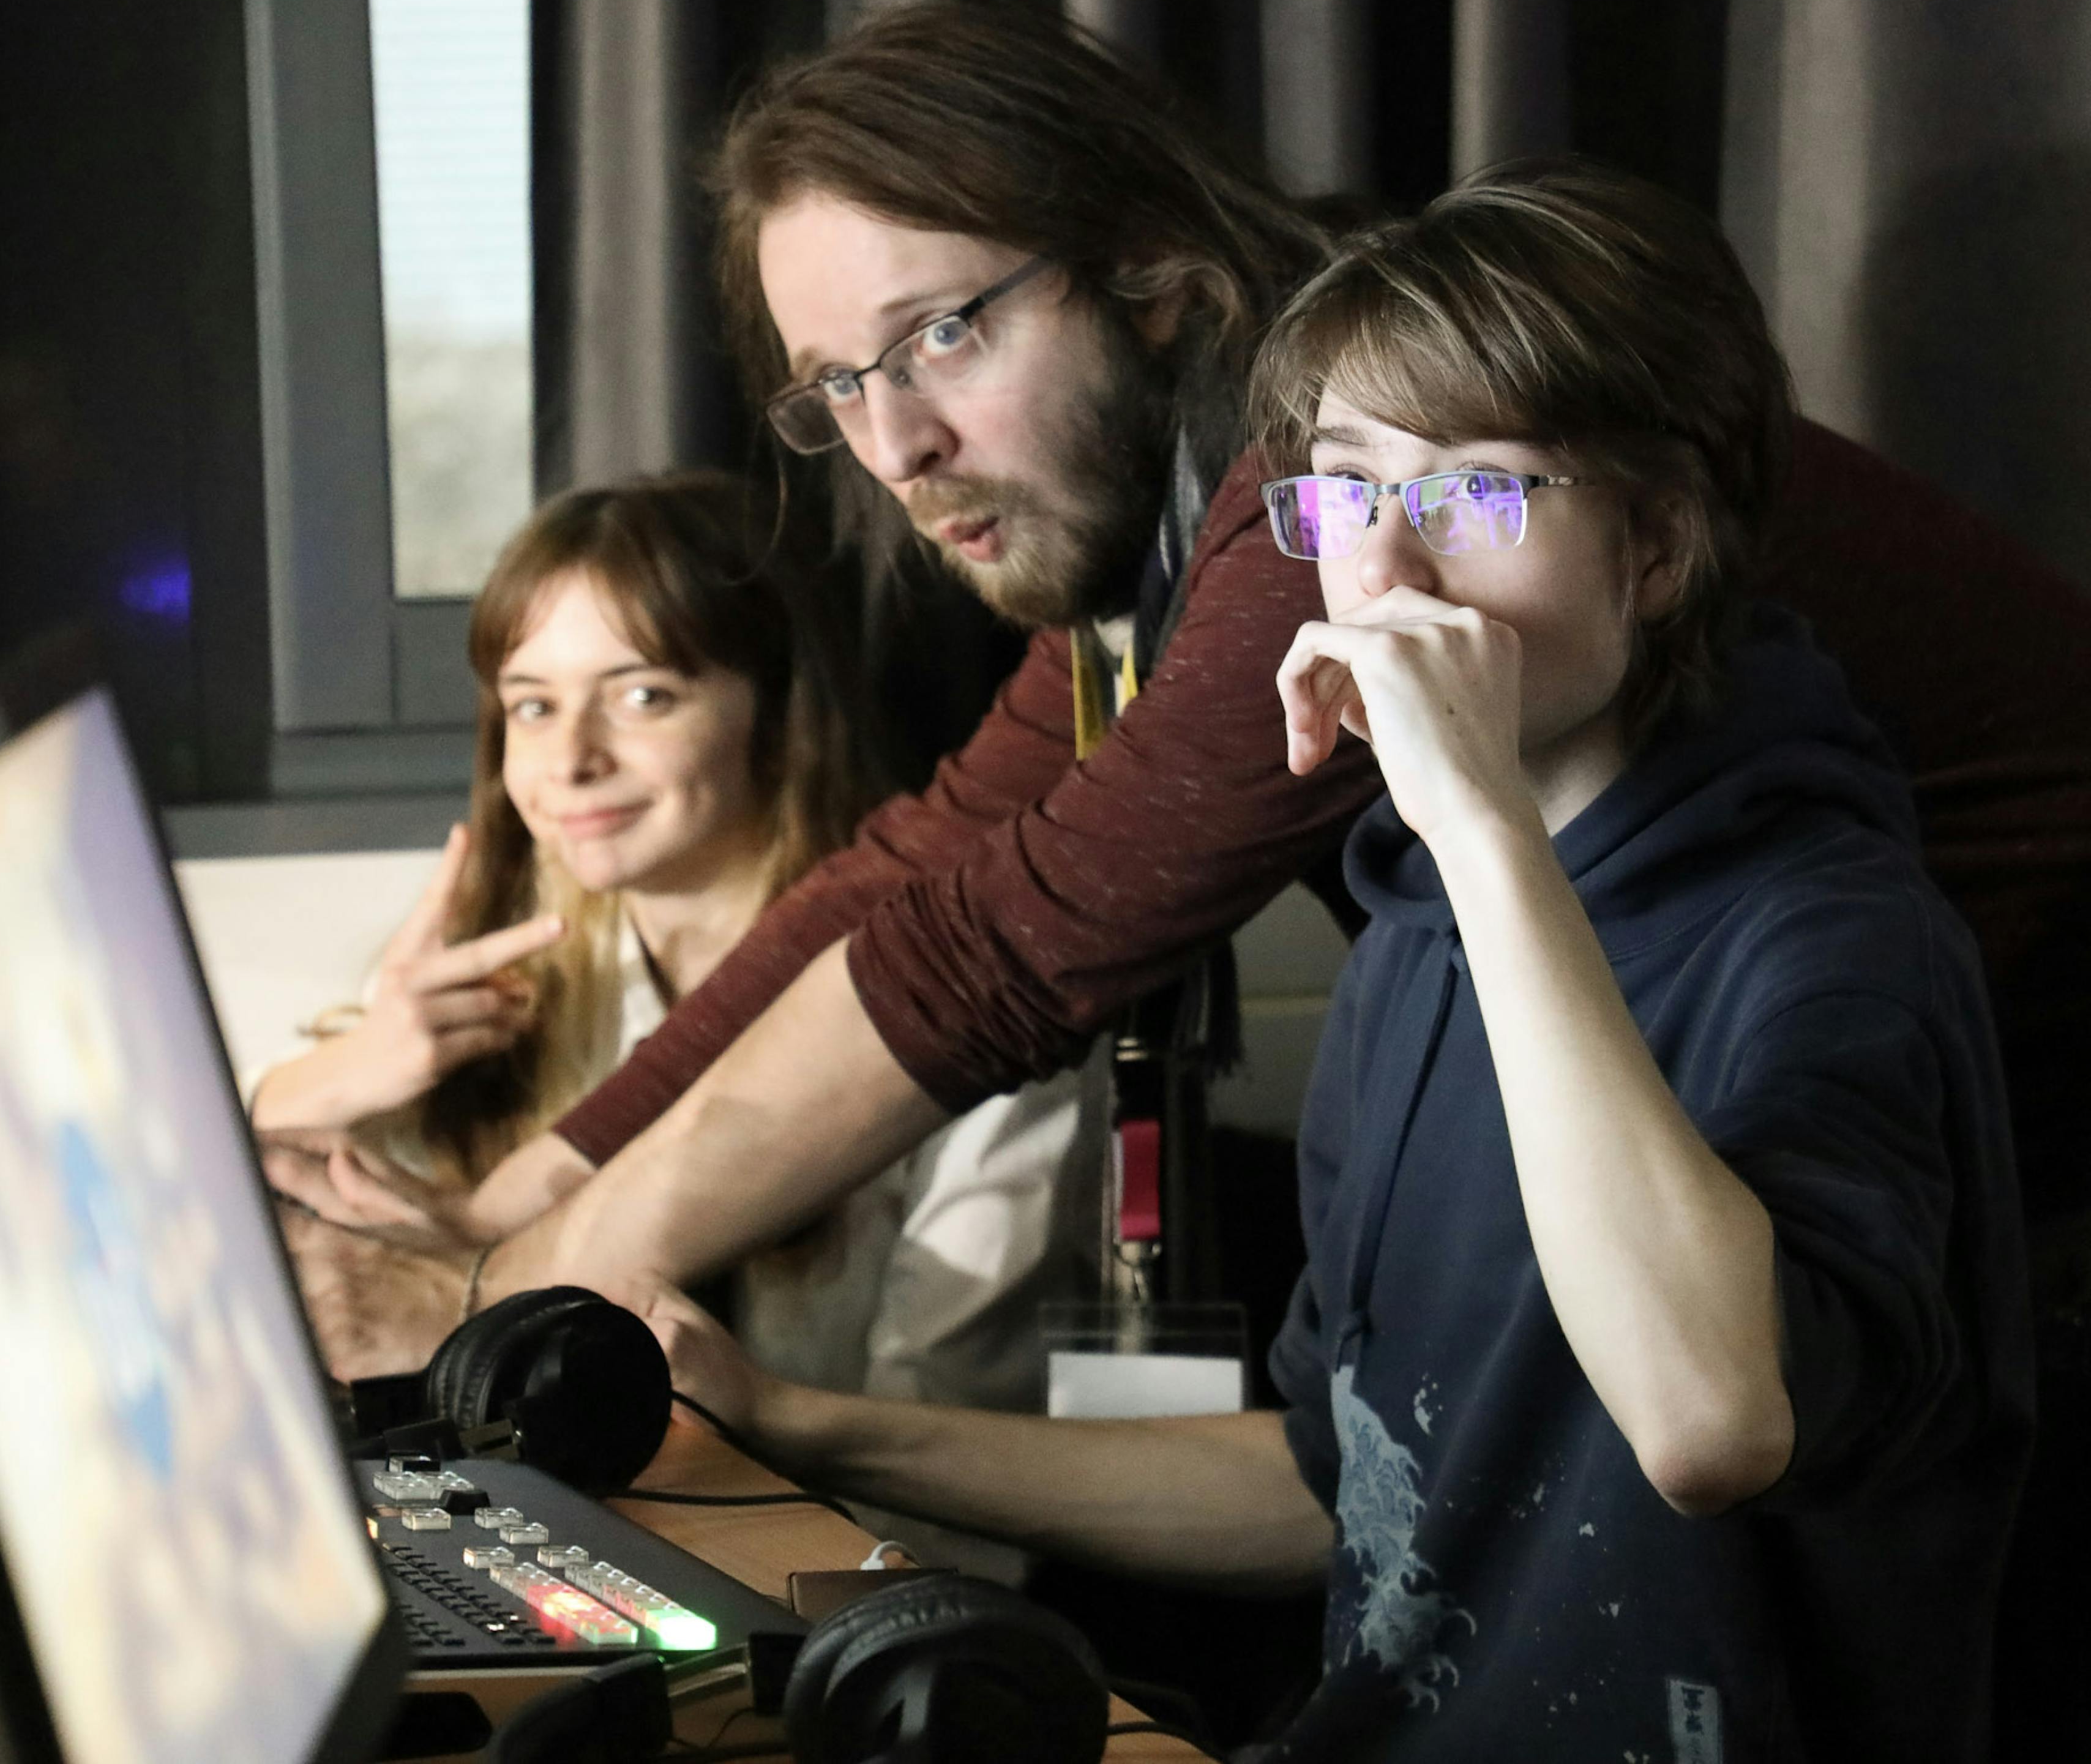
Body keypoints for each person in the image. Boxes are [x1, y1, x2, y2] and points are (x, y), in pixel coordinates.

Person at [640, 163, 2035, 1762]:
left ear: (1657, 546)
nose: (1386, 576)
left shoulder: (1830, 938)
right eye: (1352, 494)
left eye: (1474, 495)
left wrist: (1482, 828)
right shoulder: (1418, 936)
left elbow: (1712, 1425)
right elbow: (1335, 1477)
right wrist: (799, 1421)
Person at [261, 473, 1106, 1453]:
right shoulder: (481, 992)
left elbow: (951, 1478)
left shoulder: (973, 1003)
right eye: (531, 707)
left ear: (778, 708)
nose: (572, 759)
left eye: (642, 697)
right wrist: (338, 1076)